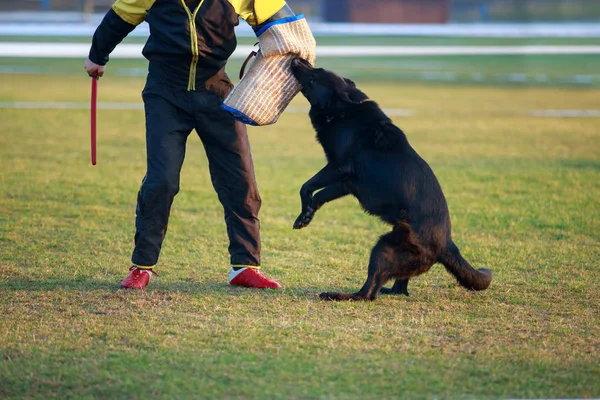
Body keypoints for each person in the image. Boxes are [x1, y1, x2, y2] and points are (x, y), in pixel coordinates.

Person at [84, 0, 296, 290]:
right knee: (162, 181)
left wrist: (291, 48)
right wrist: (98, 55)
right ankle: (142, 266)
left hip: (218, 93)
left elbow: (284, 24)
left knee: (240, 180)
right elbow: (119, 18)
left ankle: (245, 267)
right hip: (165, 94)